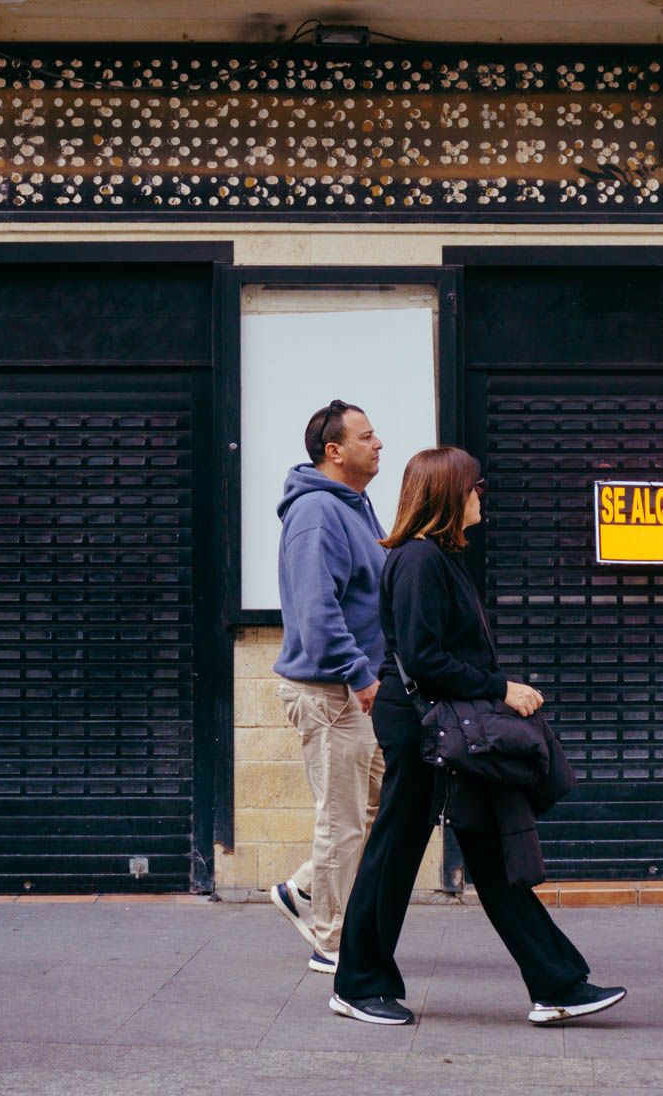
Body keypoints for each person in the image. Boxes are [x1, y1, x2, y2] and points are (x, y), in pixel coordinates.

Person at [329, 446, 626, 1028]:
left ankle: (557, 984)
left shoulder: (437, 558)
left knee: (490, 850)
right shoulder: (418, 560)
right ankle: (359, 984)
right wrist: (501, 688)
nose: (479, 495)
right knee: (396, 848)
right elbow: (422, 657)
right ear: (447, 494)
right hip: (422, 723)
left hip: (443, 721)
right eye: (473, 486)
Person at [270, 400, 388, 976]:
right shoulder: (318, 511)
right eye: (367, 437)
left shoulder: (356, 506)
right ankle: (331, 941)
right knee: (341, 819)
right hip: (331, 692)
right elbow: (318, 612)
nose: (379, 444)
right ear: (334, 451)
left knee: (370, 808)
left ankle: (303, 890)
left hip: (352, 691)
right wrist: (361, 675)